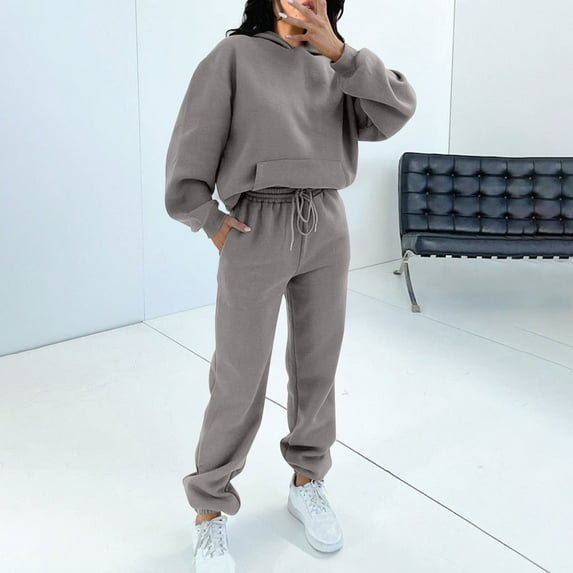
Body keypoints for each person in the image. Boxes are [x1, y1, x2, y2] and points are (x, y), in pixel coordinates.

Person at [165, 0, 416, 570]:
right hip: (256, 225)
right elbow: (191, 148)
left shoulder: (338, 65)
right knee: (239, 374)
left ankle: (307, 481)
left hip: (326, 221)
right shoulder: (233, 57)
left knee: (317, 365)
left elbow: (398, 108)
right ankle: (210, 507)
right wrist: (207, 218)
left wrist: (340, 52)